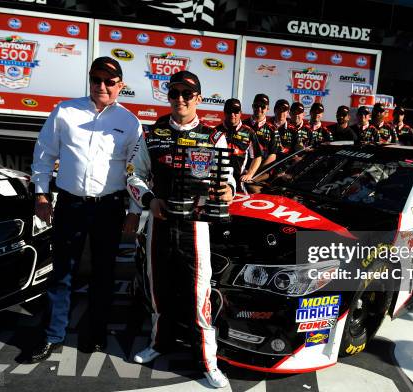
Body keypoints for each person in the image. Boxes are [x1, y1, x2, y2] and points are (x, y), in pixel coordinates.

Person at [28, 56, 142, 362]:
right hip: (71, 204)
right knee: (63, 271)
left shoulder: (130, 122)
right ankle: (52, 335)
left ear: (121, 85)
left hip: (110, 207)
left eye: (109, 81)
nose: (101, 86)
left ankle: (96, 334)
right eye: (96, 79)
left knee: (103, 274)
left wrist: (133, 210)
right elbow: (43, 155)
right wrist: (41, 195)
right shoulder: (64, 111)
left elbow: (136, 172)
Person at [125, 70, 233, 388]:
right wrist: (149, 199)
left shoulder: (215, 137)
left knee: (199, 297)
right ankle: (159, 343)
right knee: (159, 292)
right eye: (174, 93)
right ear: (168, 96)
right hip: (159, 224)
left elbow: (228, 182)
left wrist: (226, 190)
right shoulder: (153, 133)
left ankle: (208, 362)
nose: (180, 99)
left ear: (199, 98)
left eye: (187, 94)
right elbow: (133, 172)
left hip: (195, 228)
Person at [216, 98, 262, 183]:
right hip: (218, 178)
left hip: (239, 180)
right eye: (229, 111)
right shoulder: (216, 131)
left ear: (241, 112)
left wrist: (250, 174)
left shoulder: (249, 132)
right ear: (224, 112)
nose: (232, 114)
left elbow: (257, 157)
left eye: (236, 111)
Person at [242, 94, 280, 168]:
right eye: (257, 106)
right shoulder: (242, 125)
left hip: (260, 172)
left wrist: (257, 171)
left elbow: (273, 155)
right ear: (252, 106)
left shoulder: (273, 129)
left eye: (262, 106)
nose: (259, 109)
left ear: (267, 108)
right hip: (241, 170)